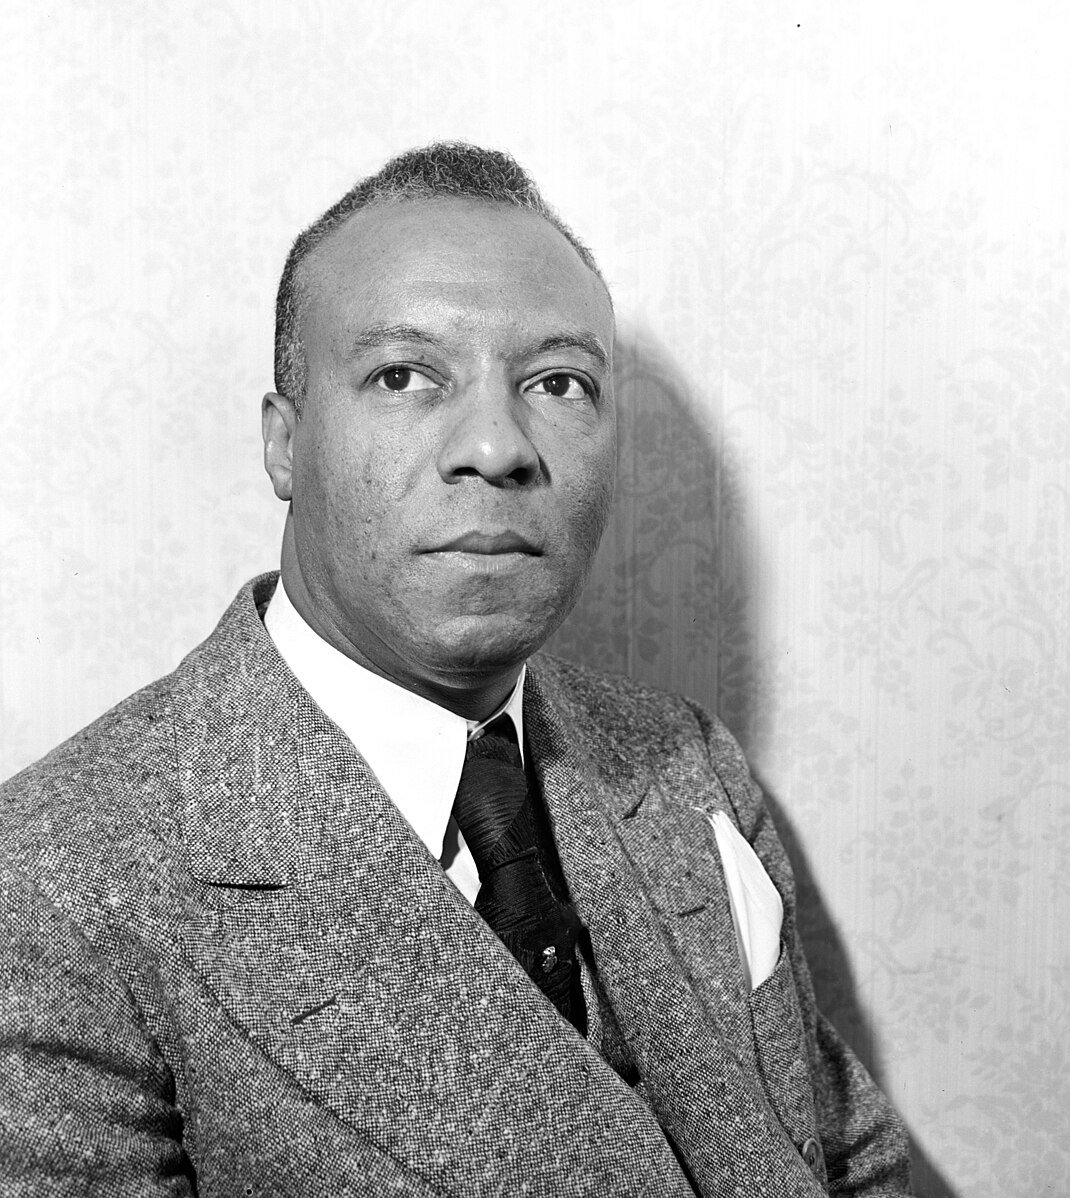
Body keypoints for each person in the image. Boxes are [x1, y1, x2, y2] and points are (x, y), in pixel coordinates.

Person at [0, 143, 912, 1197]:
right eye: (403, 375)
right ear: (284, 443)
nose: (495, 445)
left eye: (557, 383)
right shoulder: (50, 884)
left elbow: (847, 1162)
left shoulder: (687, 764)